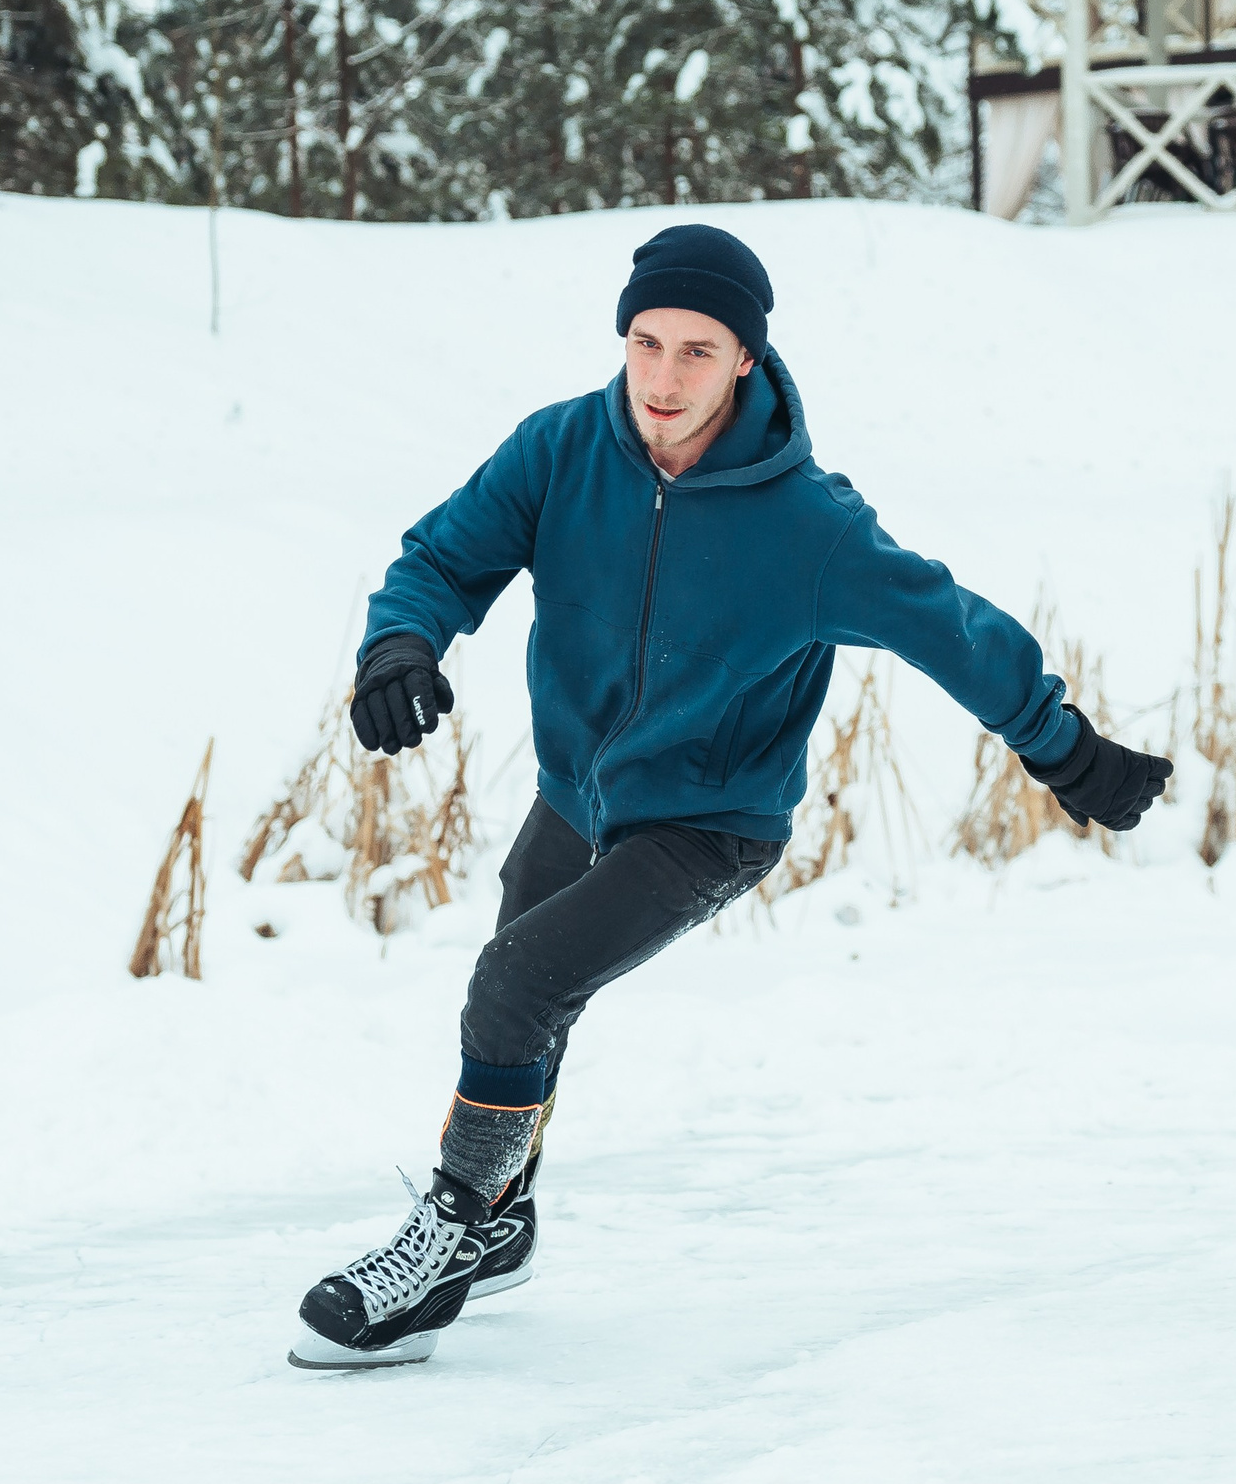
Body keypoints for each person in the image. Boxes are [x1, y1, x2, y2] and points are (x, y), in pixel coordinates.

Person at [287, 224, 1171, 1371]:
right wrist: (399, 645)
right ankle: (503, 1218)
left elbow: (951, 629)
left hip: (709, 821)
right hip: (576, 792)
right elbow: (445, 559)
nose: (662, 378)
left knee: (516, 983)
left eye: (696, 351)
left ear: (745, 358)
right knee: (526, 988)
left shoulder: (807, 525)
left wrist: (1063, 749)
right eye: (645, 343)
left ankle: (448, 1238)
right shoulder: (560, 450)